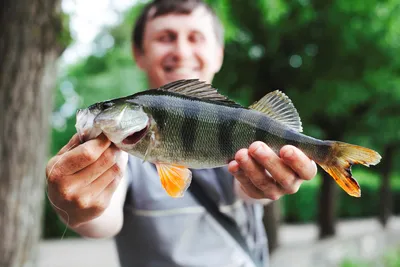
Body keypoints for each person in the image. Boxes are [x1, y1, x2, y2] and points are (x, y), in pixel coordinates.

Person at [46, 0, 318, 266]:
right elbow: (103, 219)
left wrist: (268, 181)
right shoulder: (122, 156)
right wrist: (75, 206)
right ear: (139, 54)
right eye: (166, 37)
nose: (181, 51)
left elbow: (246, 189)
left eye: (196, 37)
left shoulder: (243, 124)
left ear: (219, 53)